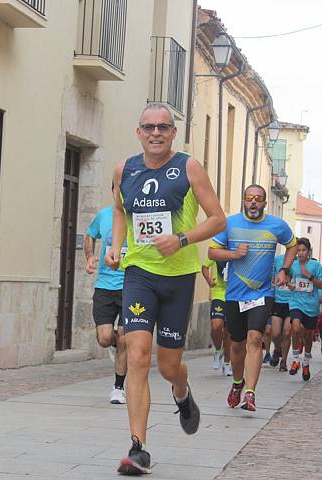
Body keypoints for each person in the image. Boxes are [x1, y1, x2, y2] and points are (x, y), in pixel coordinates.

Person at [105, 102, 225, 475]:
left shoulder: (188, 167)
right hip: (139, 272)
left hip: (178, 278)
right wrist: (115, 245)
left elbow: (217, 219)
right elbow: (121, 210)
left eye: (163, 127)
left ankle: (183, 393)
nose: (155, 133)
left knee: (169, 364)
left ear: (173, 133)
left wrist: (183, 238)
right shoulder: (124, 169)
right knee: (137, 353)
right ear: (138, 132)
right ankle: (138, 448)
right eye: (148, 127)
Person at [209, 185, 297, 412]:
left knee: (255, 338)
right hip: (234, 295)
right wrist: (233, 254)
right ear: (244, 201)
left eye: (258, 199)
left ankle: (250, 392)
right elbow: (212, 252)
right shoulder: (229, 223)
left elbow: (292, 245)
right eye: (249, 198)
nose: (254, 202)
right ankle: (237, 384)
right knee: (237, 344)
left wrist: (284, 270)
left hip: (262, 293)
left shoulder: (277, 225)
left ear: (265, 203)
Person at [85, 201, 128, 404]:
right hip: (105, 285)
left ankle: (118, 388)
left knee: (124, 338)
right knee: (104, 338)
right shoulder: (104, 215)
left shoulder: (141, 214)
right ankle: (114, 344)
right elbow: (90, 234)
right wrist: (90, 256)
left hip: (132, 285)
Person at [288, 238, 322, 380]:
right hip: (296, 302)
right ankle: (296, 359)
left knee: (308, 337)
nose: (301, 253)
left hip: (311, 305)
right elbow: (288, 279)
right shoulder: (292, 265)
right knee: (295, 328)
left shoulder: (316, 266)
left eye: (303, 250)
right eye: (299, 250)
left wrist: (310, 276)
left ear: (308, 252)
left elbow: (320, 285)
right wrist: (289, 284)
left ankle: (306, 362)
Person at [201, 258, 232, 375]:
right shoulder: (218, 250)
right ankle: (218, 350)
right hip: (218, 293)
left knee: (229, 332)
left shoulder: (237, 250)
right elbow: (204, 267)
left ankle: (227, 363)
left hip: (233, 294)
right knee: (216, 326)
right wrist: (209, 280)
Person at [270, 254, 294, 372]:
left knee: (287, 332)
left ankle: (283, 361)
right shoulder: (278, 260)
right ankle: (277, 349)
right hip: (278, 301)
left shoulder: (300, 263)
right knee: (275, 333)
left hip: (292, 302)